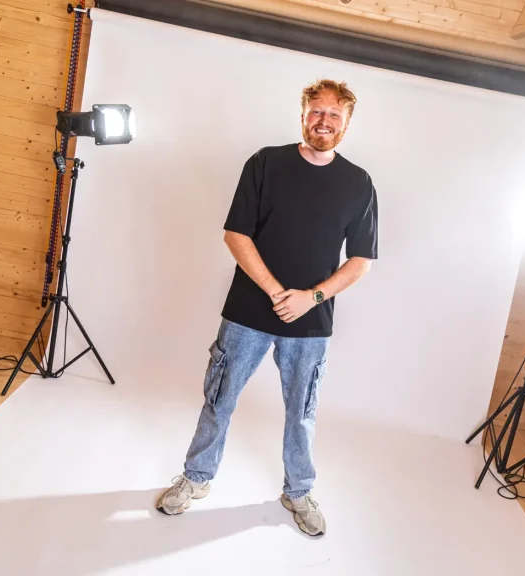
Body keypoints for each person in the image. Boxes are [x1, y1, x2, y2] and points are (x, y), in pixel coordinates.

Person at [155, 79, 378, 537]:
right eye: (317, 111)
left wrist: (310, 297)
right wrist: (278, 292)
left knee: (302, 412)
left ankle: (297, 491)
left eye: (335, 115)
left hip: (312, 321)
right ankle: (196, 479)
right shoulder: (265, 163)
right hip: (247, 312)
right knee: (220, 399)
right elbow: (236, 234)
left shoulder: (359, 183)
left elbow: (361, 261)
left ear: (347, 124)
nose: (324, 121)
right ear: (302, 115)